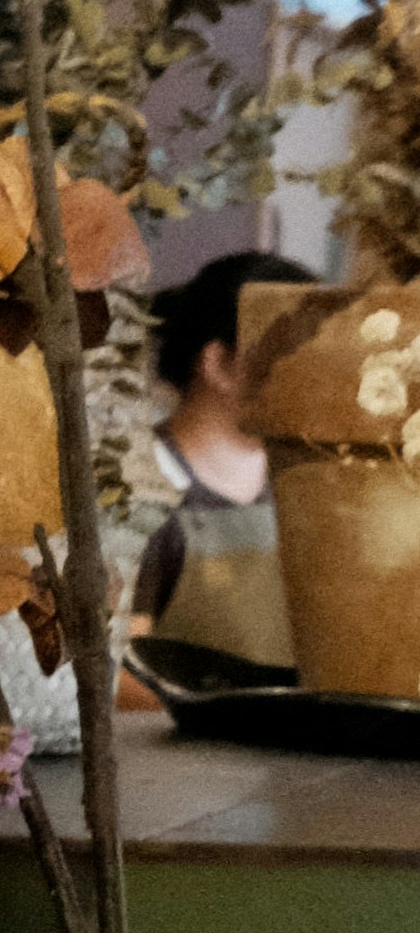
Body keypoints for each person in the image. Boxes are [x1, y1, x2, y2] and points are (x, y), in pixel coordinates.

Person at [131, 245, 288, 665]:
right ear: (219, 363)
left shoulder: (303, 487)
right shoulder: (138, 485)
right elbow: (116, 673)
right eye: (292, 353)